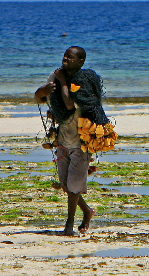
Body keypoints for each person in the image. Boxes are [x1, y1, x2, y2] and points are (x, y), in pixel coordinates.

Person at [34, 46, 103, 236]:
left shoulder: (85, 81)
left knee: (73, 186)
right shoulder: (55, 76)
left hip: (82, 140)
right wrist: (43, 90)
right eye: (65, 55)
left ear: (81, 62)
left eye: (70, 57)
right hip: (63, 139)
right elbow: (38, 97)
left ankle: (69, 224)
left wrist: (63, 82)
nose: (66, 58)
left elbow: (69, 104)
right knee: (66, 185)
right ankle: (87, 211)